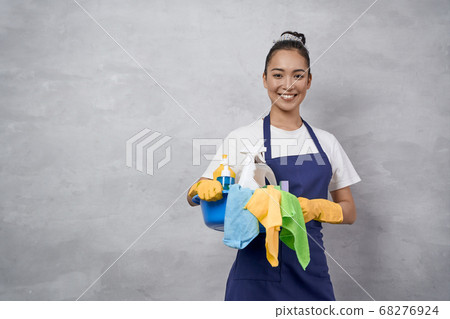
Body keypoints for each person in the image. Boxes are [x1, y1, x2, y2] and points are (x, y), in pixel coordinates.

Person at [187, 31, 361, 301]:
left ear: (309, 80)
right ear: (265, 79)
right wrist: (201, 187)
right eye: (278, 75)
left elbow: (349, 211)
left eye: (298, 75)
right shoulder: (242, 137)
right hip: (254, 274)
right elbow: (200, 195)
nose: (288, 85)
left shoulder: (327, 142)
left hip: (310, 272)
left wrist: (317, 208)